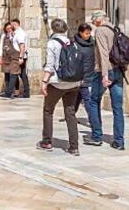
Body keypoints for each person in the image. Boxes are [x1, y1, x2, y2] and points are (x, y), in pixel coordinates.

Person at [37, 18, 82, 155]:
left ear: (53, 29)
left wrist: (44, 82)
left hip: (57, 82)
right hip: (73, 83)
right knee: (70, 113)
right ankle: (74, 146)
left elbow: (50, 65)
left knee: (48, 111)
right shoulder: (72, 42)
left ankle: (47, 141)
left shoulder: (52, 43)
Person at [84, 10, 125, 150]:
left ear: (98, 20)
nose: (93, 23)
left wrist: (105, 75)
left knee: (93, 101)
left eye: (93, 20)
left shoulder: (101, 31)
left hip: (104, 71)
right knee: (118, 108)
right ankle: (119, 141)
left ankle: (96, 136)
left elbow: (103, 53)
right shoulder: (115, 29)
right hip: (118, 70)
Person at [72, 23, 96, 116]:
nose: (88, 35)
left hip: (90, 73)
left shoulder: (92, 43)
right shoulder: (74, 44)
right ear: (80, 33)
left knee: (79, 96)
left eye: (89, 33)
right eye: (86, 33)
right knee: (86, 98)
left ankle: (70, 115)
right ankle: (93, 120)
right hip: (80, 75)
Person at [0, 22, 21, 98]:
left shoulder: (16, 35)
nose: (9, 30)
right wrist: (0, 57)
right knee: (7, 74)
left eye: (10, 28)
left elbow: (21, 45)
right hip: (6, 57)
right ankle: (7, 90)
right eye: (7, 29)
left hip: (14, 57)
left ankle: (11, 92)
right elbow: (1, 46)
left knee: (14, 74)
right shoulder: (4, 36)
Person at [11, 18, 30, 98]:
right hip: (17, 56)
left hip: (19, 57)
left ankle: (26, 92)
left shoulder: (20, 33)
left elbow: (22, 46)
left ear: (15, 24)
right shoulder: (16, 33)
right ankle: (17, 92)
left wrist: (21, 57)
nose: (11, 26)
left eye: (12, 25)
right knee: (19, 74)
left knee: (22, 74)